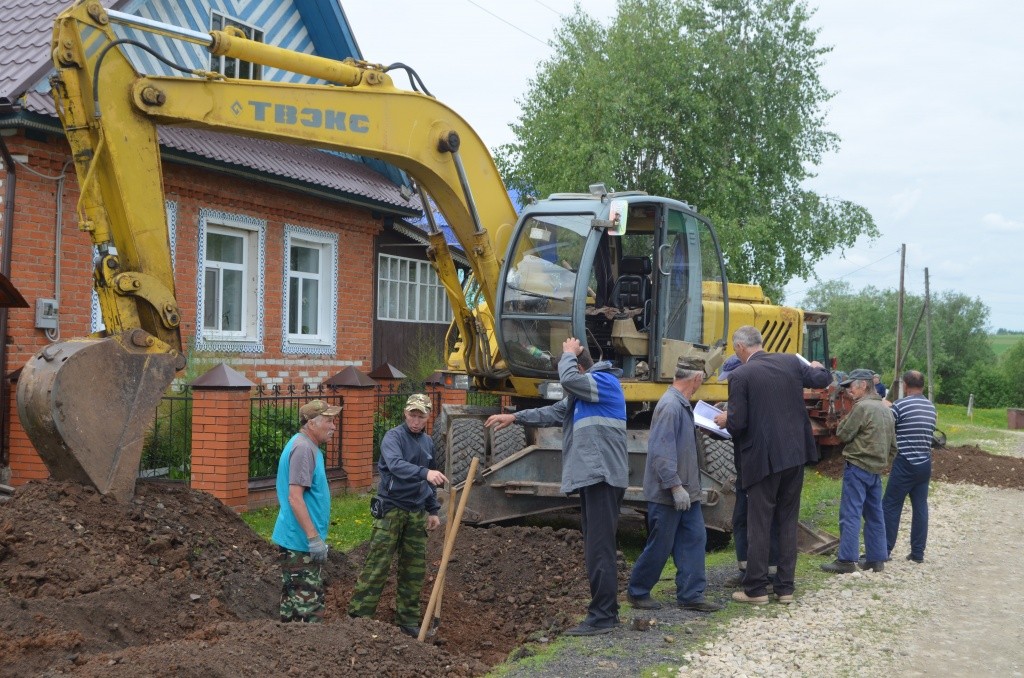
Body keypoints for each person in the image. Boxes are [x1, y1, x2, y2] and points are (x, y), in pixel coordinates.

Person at [486, 337, 628, 636]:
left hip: (603, 478)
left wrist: (566, 353)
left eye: (569, 368)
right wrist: (515, 416)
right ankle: (605, 612)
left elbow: (568, 379)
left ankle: (603, 616)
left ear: (578, 367)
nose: (564, 380)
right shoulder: (584, 395)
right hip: (593, 478)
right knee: (595, 547)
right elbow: (551, 413)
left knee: (600, 548)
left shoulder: (603, 382)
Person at [712, 326, 830, 605]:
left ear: (740, 347)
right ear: (760, 343)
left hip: (762, 460)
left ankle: (756, 590)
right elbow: (822, 378)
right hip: (796, 454)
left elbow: (739, 425)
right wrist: (818, 364)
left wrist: (725, 419)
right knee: (788, 520)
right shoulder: (790, 361)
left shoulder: (741, 375)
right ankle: (785, 588)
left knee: (759, 522)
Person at [627, 356, 723, 613]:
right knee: (661, 544)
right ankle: (637, 591)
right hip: (669, 493)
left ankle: (691, 595)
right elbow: (660, 452)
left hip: (687, 493)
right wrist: (674, 486)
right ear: (696, 379)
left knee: (694, 538)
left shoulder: (680, 404)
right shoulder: (670, 406)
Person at [347, 394, 448, 637]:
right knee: (377, 565)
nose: (415, 420)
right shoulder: (393, 437)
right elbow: (395, 465)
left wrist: (432, 509)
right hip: (391, 509)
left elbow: (430, 480)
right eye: (412, 415)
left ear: (427, 417)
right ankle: (358, 618)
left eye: (420, 416)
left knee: (413, 569)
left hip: (416, 512)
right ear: (405, 413)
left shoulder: (427, 442)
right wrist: (425, 473)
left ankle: (408, 620)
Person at [271, 398, 342, 622]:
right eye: (328, 421)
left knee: (291, 609)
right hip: (299, 544)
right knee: (309, 611)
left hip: (298, 541)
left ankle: (290, 653)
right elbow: (295, 497)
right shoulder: (303, 449)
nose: (333, 426)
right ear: (311, 423)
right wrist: (313, 538)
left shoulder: (308, 446)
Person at [821, 369, 897, 574]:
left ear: (863, 385)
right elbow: (893, 447)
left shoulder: (862, 407)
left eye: (851, 386)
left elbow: (843, 433)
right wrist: (881, 463)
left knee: (851, 513)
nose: (849, 391)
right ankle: (876, 558)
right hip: (876, 470)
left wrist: (844, 419)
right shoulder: (886, 410)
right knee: (875, 514)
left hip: (857, 467)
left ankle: (846, 560)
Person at [715, 355, 780, 589]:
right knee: (748, 520)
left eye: (731, 377)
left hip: (754, 469)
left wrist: (727, 419)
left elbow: (742, 424)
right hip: (751, 468)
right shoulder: (752, 392)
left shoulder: (751, 392)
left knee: (754, 521)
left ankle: (761, 573)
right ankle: (753, 570)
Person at [882, 370, 937, 563]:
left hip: (905, 463)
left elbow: (889, 424)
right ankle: (917, 553)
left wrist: (886, 405)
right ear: (922, 386)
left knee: (890, 506)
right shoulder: (931, 407)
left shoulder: (900, 405)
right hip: (924, 464)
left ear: (905, 385)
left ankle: (884, 550)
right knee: (920, 507)